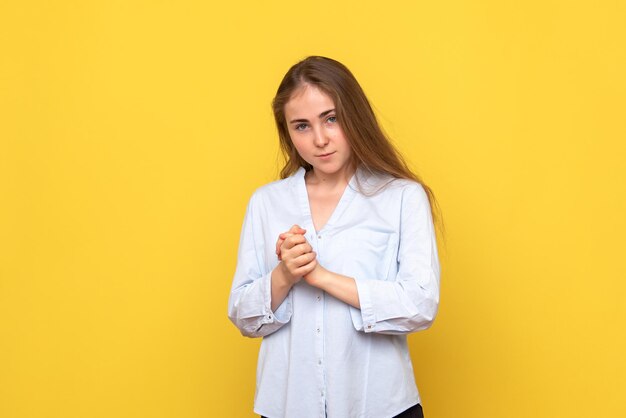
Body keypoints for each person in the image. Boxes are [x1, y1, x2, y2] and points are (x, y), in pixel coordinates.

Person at [228, 56, 442, 418]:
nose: (320, 139)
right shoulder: (267, 202)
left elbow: (420, 305)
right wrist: (284, 275)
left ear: (354, 115)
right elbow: (244, 316)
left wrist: (320, 276)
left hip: (379, 406)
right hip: (287, 406)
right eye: (302, 126)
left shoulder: (402, 197)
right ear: (288, 133)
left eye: (331, 118)